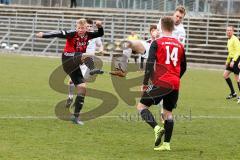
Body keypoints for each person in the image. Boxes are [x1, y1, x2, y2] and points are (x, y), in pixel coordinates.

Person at [36, 19, 104, 125]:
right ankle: (92, 68)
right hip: (68, 58)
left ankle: (76, 117)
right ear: (76, 28)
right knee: (86, 55)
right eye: (79, 28)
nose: (81, 30)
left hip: (76, 64)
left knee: (82, 88)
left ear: (87, 28)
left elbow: (100, 33)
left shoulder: (89, 35)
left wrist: (99, 26)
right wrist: (44, 35)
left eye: (83, 28)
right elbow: (58, 33)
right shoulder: (72, 33)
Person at [136, 16, 186, 151]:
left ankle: (157, 128)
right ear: (173, 27)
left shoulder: (157, 43)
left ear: (161, 27)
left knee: (141, 107)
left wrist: (145, 82)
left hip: (161, 81)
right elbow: (184, 67)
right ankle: (166, 144)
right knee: (168, 113)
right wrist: (175, 77)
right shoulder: (180, 45)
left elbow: (150, 63)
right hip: (175, 83)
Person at [66, 18, 104, 108]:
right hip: (78, 59)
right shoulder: (79, 35)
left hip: (88, 62)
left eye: (91, 26)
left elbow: (100, 45)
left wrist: (101, 50)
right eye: (88, 26)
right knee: (71, 81)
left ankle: (78, 100)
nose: (90, 27)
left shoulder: (95, 36)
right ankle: (70, 97)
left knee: (82, 82)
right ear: (84, 26)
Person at [223, 26, 240, 101]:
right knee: (225, 75)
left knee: (237, 79)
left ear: (233, 31)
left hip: (236, 60)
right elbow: (230, 52)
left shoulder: (235, 39)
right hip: (232, 60)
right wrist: (227, 60)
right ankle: (233, 93)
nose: (228, 31)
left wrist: (233, 60)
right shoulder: (229, 40)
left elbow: (238, 51)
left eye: (230, 30)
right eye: (227, 30)